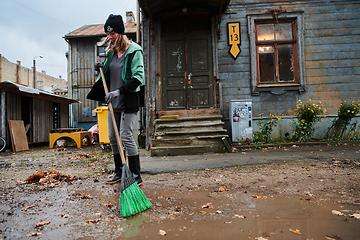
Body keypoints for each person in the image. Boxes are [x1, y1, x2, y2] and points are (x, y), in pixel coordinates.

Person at [87, 14, 145, 186]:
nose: (109, 37)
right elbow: (108, 76)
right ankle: (119, 171)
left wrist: (119, 91)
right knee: (113, 137)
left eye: (112, 33)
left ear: (120, 32)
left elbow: (138, 77)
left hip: (128, 100)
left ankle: (135, 174)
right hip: (113, 102)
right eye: (107, 34)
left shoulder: (135, 51)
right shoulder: (111, 52)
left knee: (126, 136)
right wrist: (100, 70)